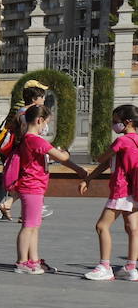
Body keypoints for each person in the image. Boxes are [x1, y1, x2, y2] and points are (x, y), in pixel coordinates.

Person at [10, 104, 85, 274]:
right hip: (32, 186)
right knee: (29, 226)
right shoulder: (34, 140)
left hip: (35, 186)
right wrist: (66, 152)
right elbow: (61, 157)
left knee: (34, 225)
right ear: (39, 120)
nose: (46, 127)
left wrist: (78, 169)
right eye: (46, 123)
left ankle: (34, 260)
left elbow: (58, 158)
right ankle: (22, 262)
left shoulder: (29, 139)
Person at [80, 104, 138, 281]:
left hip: (121, 189)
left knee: (102, 226)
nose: (114, 125)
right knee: (133, 229)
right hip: (135, 190)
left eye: (115, 122)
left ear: (127, 122)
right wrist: (89, 178)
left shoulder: (122, 141)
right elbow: (107, 164)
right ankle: (131, 267)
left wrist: (88, 178)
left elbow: (101, 159)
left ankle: (105, 266)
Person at [0, 81, 50, 220]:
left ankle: (13, 207)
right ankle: (5, 206)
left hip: (20, 149)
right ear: (33, 98)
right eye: (42, 96)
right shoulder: (27, 111)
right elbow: (34, 130)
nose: (44, 99)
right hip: (26, 150)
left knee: (21, 179)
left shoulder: (22, 109)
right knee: (27, 179)